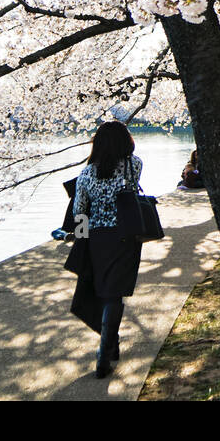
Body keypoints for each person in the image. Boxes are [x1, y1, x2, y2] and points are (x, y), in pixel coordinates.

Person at [70, 120, 144, 378]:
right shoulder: (134, 166)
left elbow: (79, 211)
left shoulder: (87, 174)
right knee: (114, 295)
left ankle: (108, 347)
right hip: (126, 237)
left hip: (97, 240)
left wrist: (80, 239)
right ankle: (105, 353)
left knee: (102, 294)